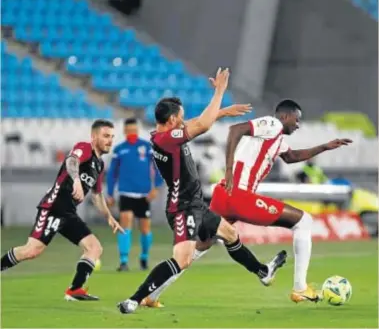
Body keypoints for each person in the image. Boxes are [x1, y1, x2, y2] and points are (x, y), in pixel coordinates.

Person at [142, 99, 353, 306]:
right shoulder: (273, 124)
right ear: (285, 116)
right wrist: (229, 170)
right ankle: (300, 288)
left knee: (199, 247)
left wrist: (324, 147)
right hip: (238, 195)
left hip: (224, 196)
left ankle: (152, 295)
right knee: (304, 221)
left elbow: (291, 156)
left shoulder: (276, 138)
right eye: (296, 120)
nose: (298, 125)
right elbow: (236, 130)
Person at [117, 68, 287, 314]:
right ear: (173, 121)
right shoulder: (166, 140)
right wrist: (219, 92)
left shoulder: (164, 133)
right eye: (181, 117)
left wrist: (221, 112)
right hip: (182, 208)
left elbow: (198, 122)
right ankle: (135, 299)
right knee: (183, 259)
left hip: (196, 205)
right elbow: (202, 125)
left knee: (229, 234)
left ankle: (263, 272)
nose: (185, 121)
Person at [0, 120, 124, 301]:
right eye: (106, 136)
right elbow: (71, 161)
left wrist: (109, 217)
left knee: (94, 248)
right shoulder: (84, 148)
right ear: (94, 136)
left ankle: (75, 290)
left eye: (112, 137)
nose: (110, 140)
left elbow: (97, 195)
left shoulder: (99, 165)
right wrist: (75, 180)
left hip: (68, 213)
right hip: (53, 207)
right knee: (31, 251)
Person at [107, 118, 163, 271]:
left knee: (145, 228)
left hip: (144, 194)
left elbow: (159, 168)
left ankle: (144, 257)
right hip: (125, 192)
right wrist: (110, 193)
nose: (132, 133)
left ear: (137, 130)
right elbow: (112, 173)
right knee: (125, 222)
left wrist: (156, 188)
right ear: (125, 131)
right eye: (129, 130)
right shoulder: (119, 150)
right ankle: (124, 260)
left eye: (134, 130)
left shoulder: (147, 147)